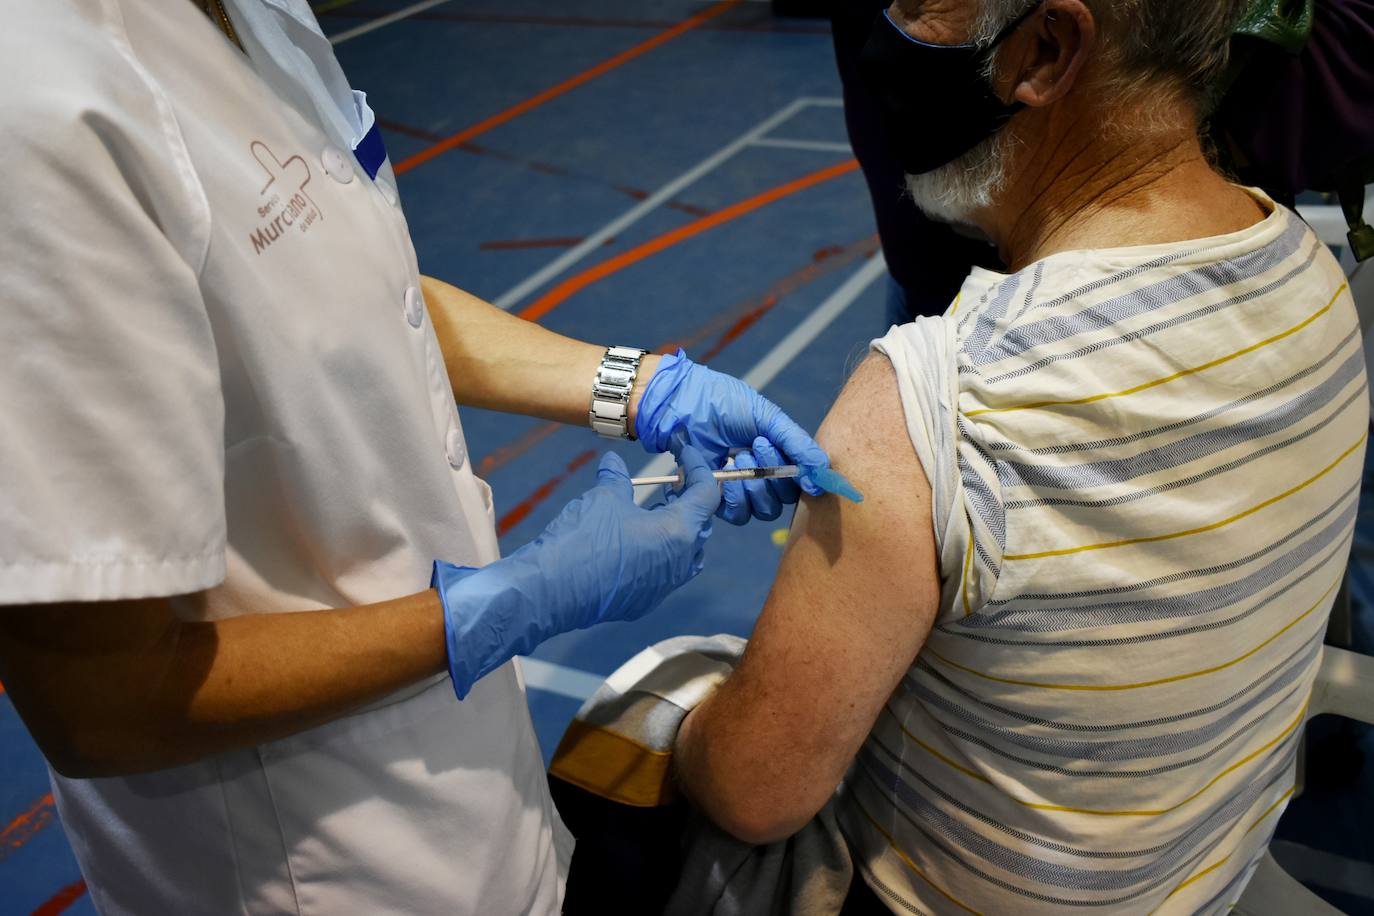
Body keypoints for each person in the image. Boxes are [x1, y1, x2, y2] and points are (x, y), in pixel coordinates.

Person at [0, 0, 831, 912]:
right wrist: (507, 603)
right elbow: (101, 701)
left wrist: (638, 389)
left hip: (468, 794)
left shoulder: (251, 12)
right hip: (309, 863)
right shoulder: (40, 107)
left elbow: (353, 291)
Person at [674, 0, 1367, 912]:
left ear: (1044, 50)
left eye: (922, 2)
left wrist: (675, 708)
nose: (890, 29)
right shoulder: (1313, 281)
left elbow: (754, 789)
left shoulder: (937, 403)